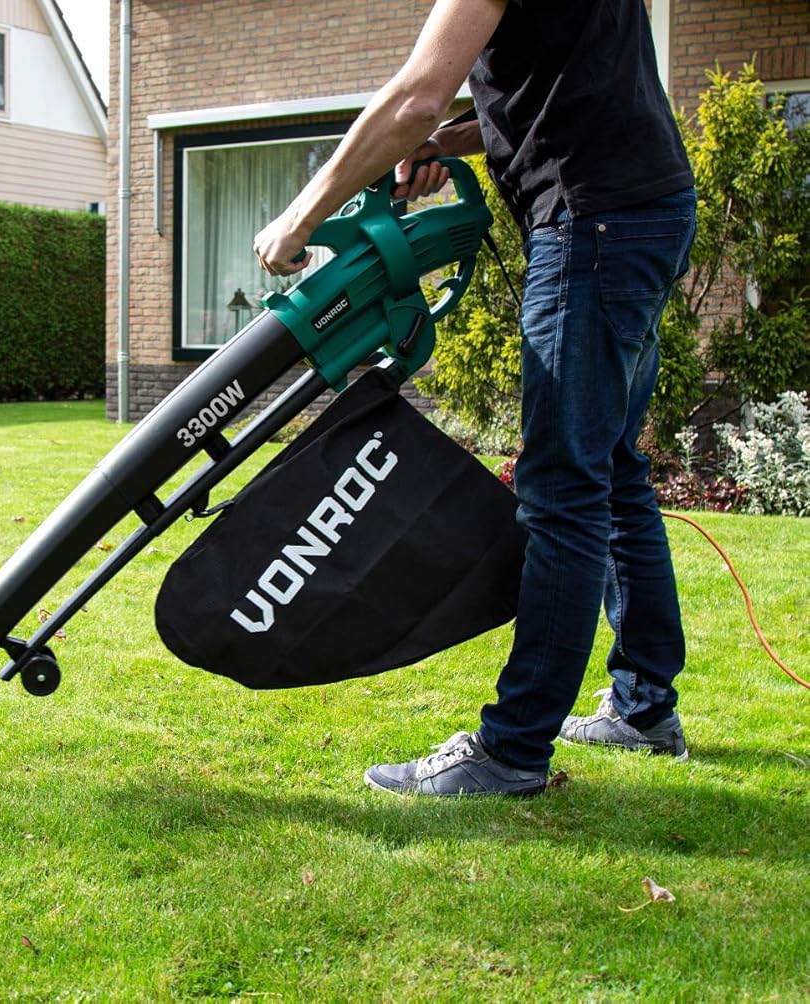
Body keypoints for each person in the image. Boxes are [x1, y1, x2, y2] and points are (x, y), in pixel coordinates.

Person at [252, 0, 697, 796]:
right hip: (646, 208)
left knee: (563, 488)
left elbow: (417, 96)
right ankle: (643, 709)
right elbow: (554, 83)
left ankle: (513, 750)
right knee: (612, 471)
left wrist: (300, 215)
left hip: (592, 223)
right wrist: (445, 144)